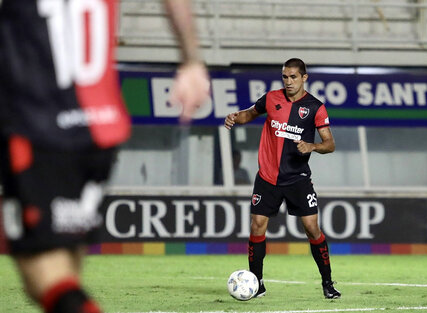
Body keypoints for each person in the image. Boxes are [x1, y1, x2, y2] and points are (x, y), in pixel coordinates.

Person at [0, 1, 209, 313]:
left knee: (42, 274)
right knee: (67, 271)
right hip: (102, 126)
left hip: (39, 121)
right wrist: (191, 61)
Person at [224, 58, 341, 299]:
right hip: (267, 177)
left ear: (304, 78)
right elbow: (250, 113)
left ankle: (327, 283)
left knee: (311, 228)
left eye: (293, 77)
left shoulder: (315, 107)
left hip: (297, 178)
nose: (288, 82)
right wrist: (236, 117)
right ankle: (257, 283)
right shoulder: (271, 98)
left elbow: (330, 144)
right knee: (257, 225)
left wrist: (312, 146)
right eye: (285, 77)